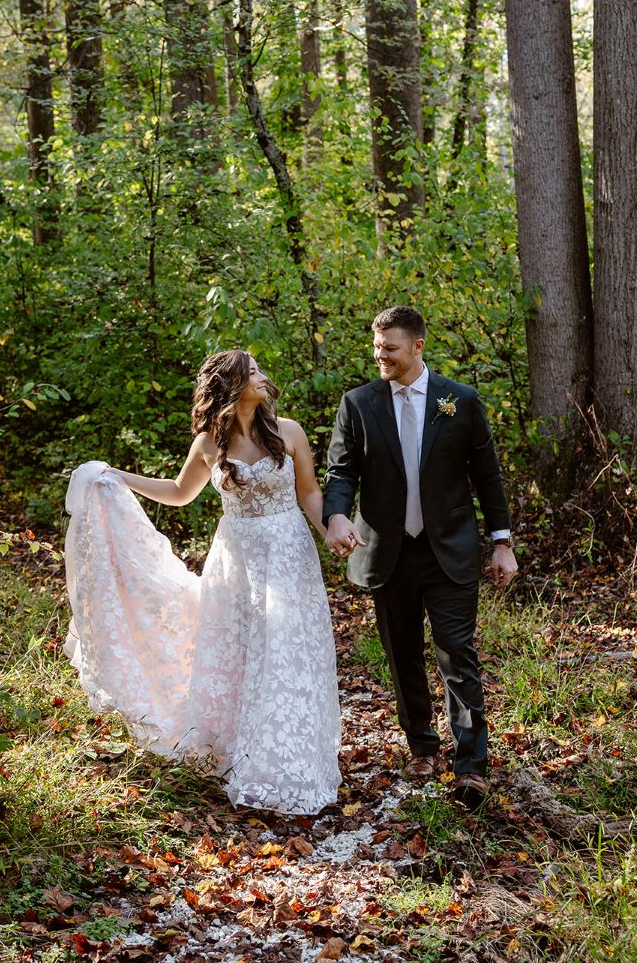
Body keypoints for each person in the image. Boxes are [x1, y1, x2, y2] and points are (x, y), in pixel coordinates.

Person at [64, 350, 341, 816]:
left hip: (289, 554)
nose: (263, 377)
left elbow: (309, 492)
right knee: (241, 652)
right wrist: (117, 477)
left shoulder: (288, 432)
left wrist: (332, 526)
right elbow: (178, 493)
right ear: (231, 385)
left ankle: (291, 760)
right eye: (253, 372)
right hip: (235, 558)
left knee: (287, 648)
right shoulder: (209, 443)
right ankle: (240, 753)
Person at [322, 305, 517, 808]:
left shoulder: (461, 401)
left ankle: (471, 765)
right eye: (376, 347)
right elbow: (342, 471)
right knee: (402, 653)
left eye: (390, 348)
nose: (380, 356)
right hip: (387, 551)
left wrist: (502, 542)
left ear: (417, 347)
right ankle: (422, 747)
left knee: (457, 652)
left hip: (447, 548)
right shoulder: (359, 403)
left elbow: (487, 476)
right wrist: (336, 517)